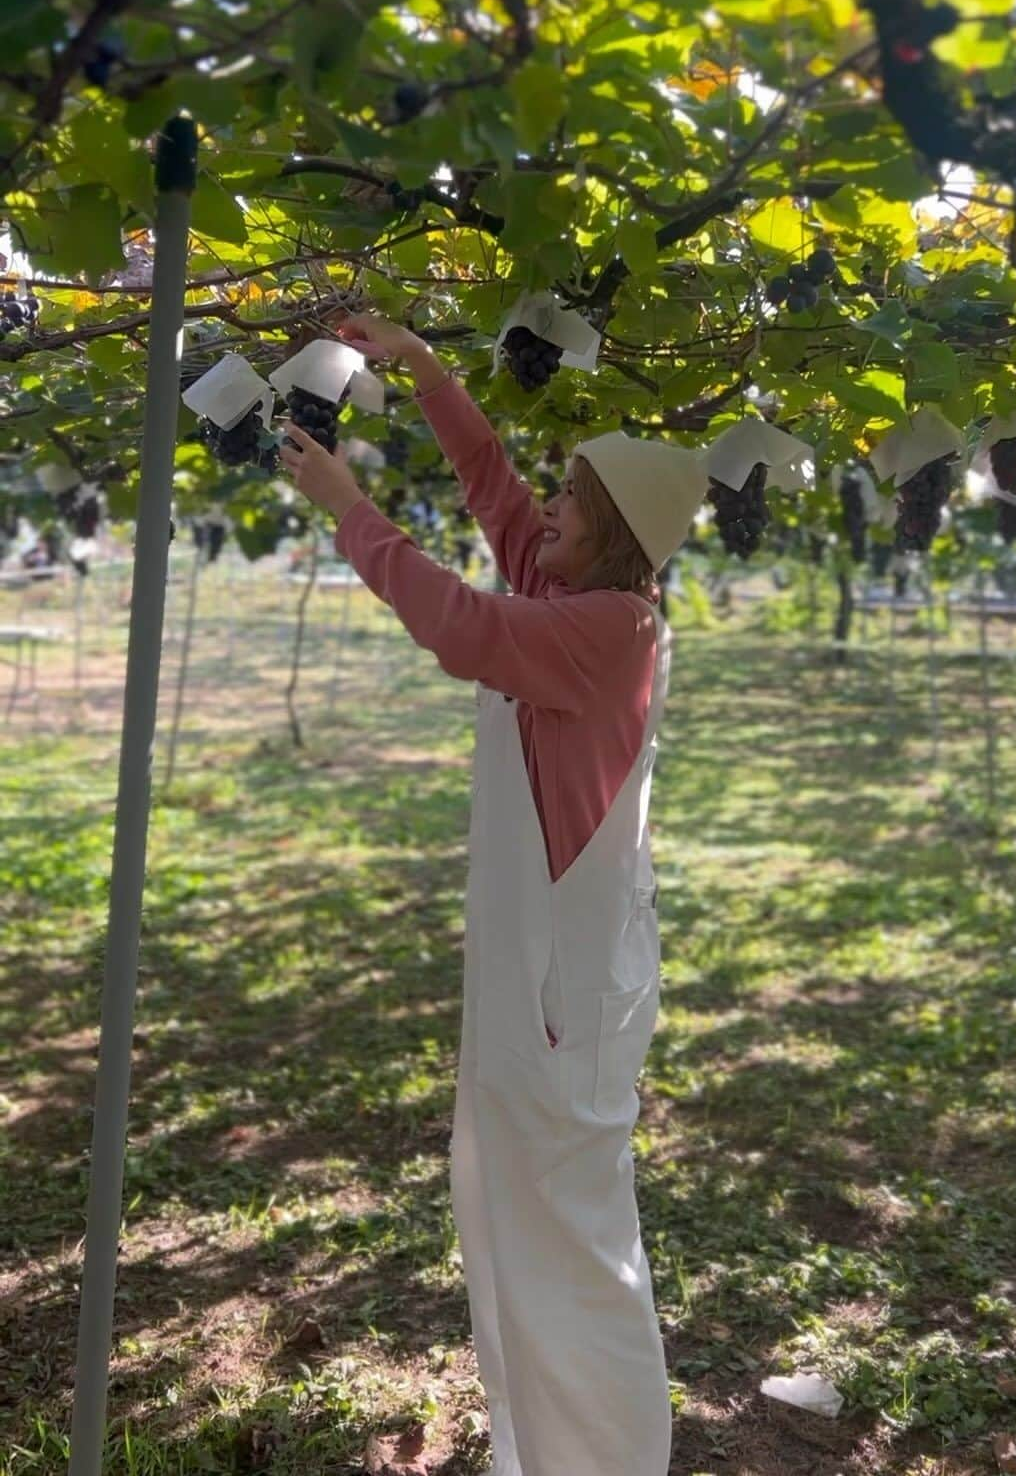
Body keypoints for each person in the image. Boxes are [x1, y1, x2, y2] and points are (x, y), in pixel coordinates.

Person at [281, 312, 707, 1476]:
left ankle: (609, 1456)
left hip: (562, 999)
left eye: (575, 501)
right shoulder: (579, 596)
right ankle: (548, 1450)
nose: (548, 511)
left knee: (568, 1238)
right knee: (519, 1222)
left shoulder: (607, 627)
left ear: (613, 534)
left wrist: (348, 510)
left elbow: (460, 626)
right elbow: (492, 488)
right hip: (547, 984)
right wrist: (418, 365)